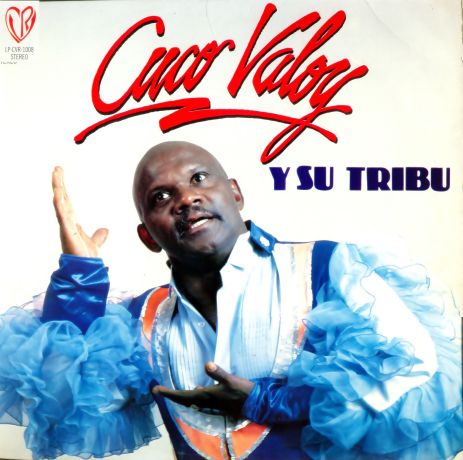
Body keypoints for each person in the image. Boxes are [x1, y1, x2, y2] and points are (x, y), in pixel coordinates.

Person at [0, 141, 461, 460]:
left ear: (235, 193)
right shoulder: (143, 319)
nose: (186, 198)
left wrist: (272, 401)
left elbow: (420, 368)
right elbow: (67, 401)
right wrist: (79, 281)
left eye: (199, 178)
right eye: (161, 197)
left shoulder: (325, 267)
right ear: (148, 236)